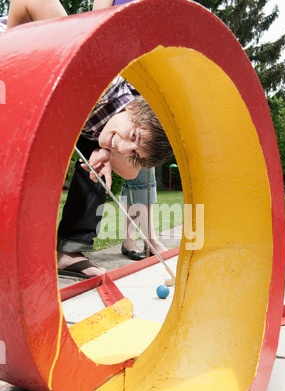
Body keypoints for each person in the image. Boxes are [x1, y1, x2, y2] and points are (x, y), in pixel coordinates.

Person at [1, 0, 173, 278]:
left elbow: (130, 171)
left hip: (36, 97)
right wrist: (9, 69)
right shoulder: (95, 72)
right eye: (133, 137)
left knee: (96, 170)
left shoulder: (121, 133)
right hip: (12, 55)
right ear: (131, 106)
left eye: (134, 152)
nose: (123, 147)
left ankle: (69, 252)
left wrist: (106, 152)